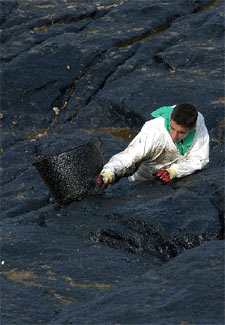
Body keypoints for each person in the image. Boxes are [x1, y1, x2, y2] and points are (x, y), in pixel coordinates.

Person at [96, 103, 209, 188]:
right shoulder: (153, 131)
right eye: (172, 128)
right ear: (170, 119)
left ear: (192, 128)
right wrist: (109, 172)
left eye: (181, 132)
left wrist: (174, 171)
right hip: (141, 179)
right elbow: (129, 155)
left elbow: (199, 158)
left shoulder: (198, 122)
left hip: (173, 177)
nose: (174, 136)